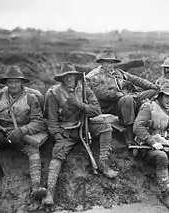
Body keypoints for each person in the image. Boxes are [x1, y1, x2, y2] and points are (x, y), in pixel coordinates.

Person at [43, 62, 118, 205]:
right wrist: (58, 137)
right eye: (67, 76)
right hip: (66, 131)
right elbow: (51, 120)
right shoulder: (54, 93)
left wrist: (80, 105)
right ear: (62, 78)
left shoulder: (84, 89)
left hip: (84, 126)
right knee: (57, 155)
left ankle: (103, 164)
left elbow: (97, 110)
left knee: (105, 127)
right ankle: (49, 193)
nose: (70, 79)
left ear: (76, 77)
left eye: (72, 76)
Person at [0, 65, 48, 201]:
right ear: (6, 83)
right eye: (10, 82)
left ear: (21, 82)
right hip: (1, 134)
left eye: (16, 82)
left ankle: (36, 188)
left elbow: (38, 121)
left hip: (20, 135)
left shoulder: (31, 98)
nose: (13, 85)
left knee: (33, 151)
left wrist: (22, 131)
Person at [86, 50, 159, 144]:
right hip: (112, 105)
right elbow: (100, 93)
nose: (109, 65)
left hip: (128, 97)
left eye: (112, 62)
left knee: (154, 92)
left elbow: (137, 80)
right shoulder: (95, 75)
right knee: (127, 99)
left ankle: (149, 127)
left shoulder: (119, 73)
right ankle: (129, 135)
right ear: (101, 63)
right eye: (107, 62)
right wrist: (118, 95)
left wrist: (153, 86)